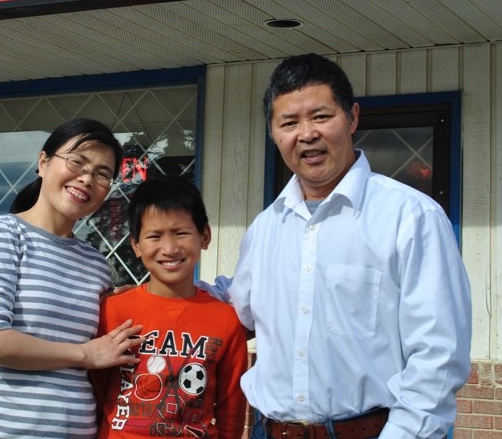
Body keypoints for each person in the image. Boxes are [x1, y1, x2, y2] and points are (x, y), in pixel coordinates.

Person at [202, 54, 472, 439]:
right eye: (289, 123)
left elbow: (438, 358)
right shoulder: (266, 227)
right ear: (274, 133)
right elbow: (237, 306)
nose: (307, 133)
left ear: (353, 118)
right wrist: (164, 295)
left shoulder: (410, 217)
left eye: (321, 116)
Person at [0, 118, 144, 439]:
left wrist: (124, 304)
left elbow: (105, 345)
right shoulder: (3, 234)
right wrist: (86, 353)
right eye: (77, 162)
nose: (86, 179)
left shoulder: (96, 263)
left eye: (102, 174)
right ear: (43, 162)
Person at [92, 176, 249, 439]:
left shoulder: (226, 320)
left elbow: (231, 408)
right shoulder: (112, 311)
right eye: (154, 236)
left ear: (204, 236)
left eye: (181, 233)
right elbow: (95, 392)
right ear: (136, 245)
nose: (169, 248)